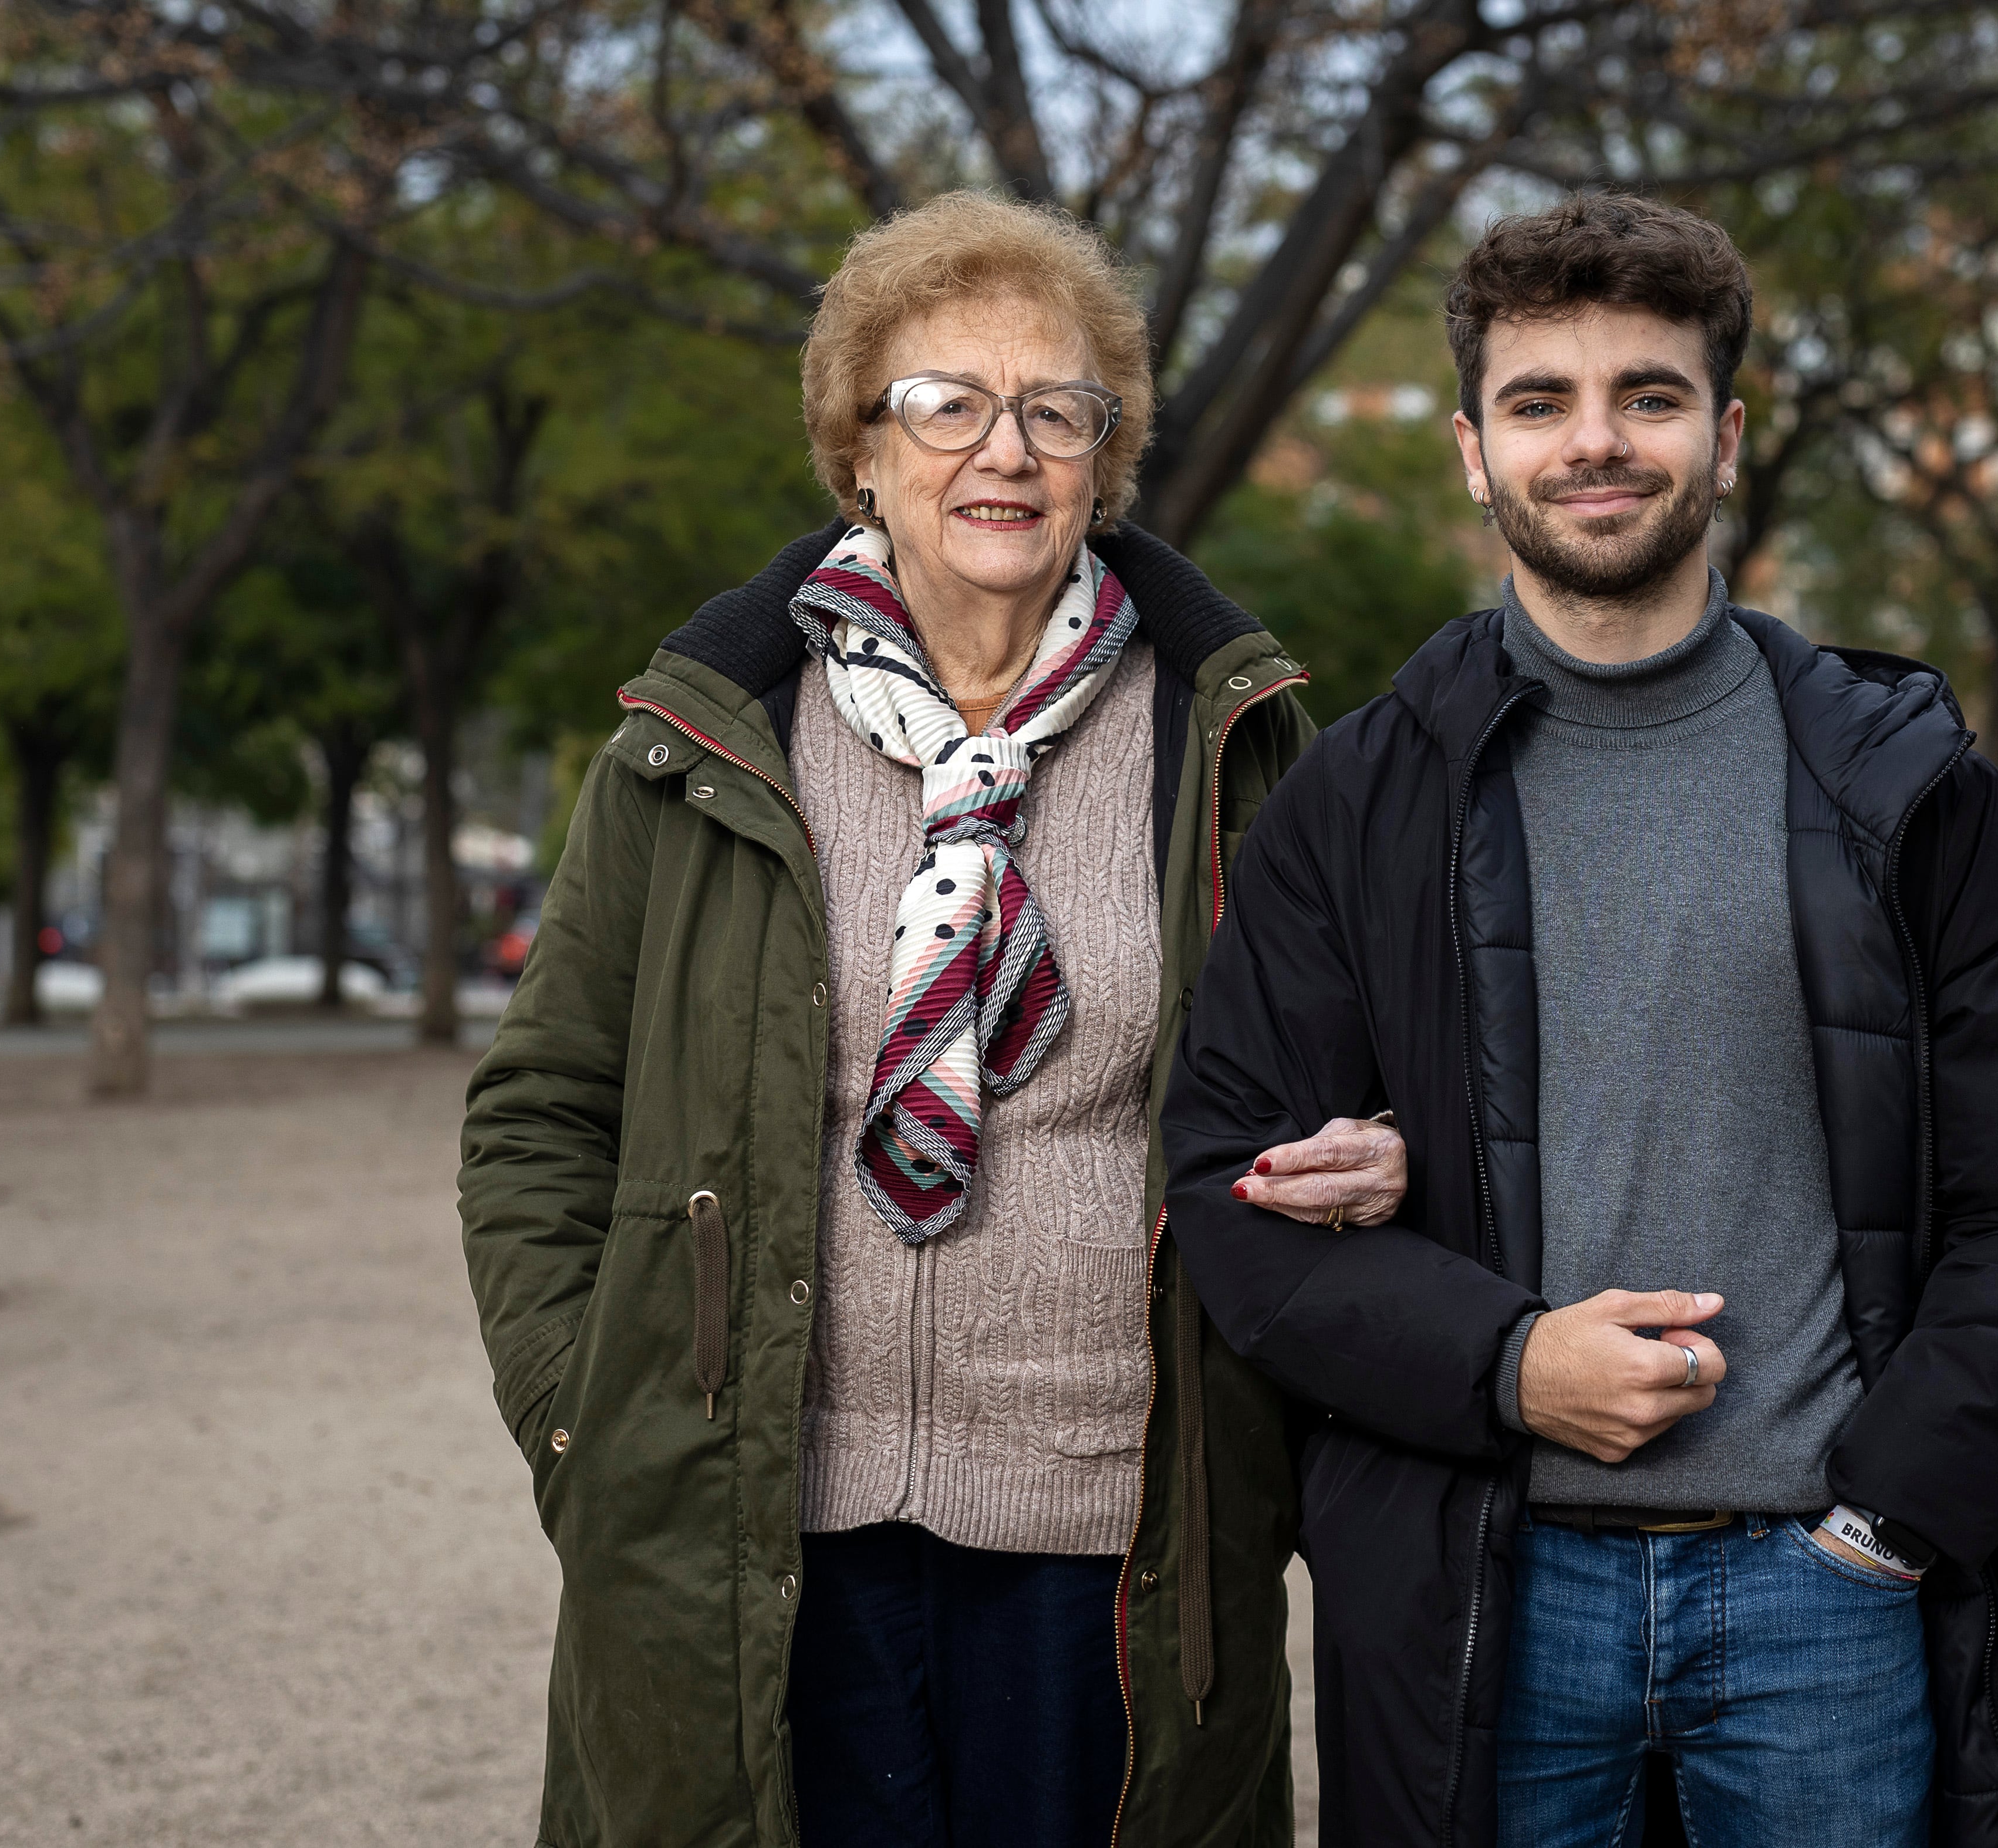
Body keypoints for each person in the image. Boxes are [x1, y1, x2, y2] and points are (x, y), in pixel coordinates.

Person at [1160, 193, 1998, 1848]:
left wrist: (1888, 1522)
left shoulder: (1910, 793)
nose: (1594, 442)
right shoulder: (1358, 802)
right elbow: (1232, 1198)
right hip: (1487, 1591)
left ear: (1726, 434)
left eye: (1648, 392)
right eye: (1538, 400)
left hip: (1826, 1604)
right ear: (1473, 453)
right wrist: (1504, 1363)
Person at [458, 191, 1405, 1848]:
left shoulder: (1233, 744)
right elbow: (539, 1114)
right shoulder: (698, 739)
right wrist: (583, 1423)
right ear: (860, 447)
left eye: (1057, 410)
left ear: (1104, 462)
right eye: (945, 403)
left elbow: (1367, 1078)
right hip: (761, 1509)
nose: (1006, 451)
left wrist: (1370, 1153)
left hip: (1112, 1523)